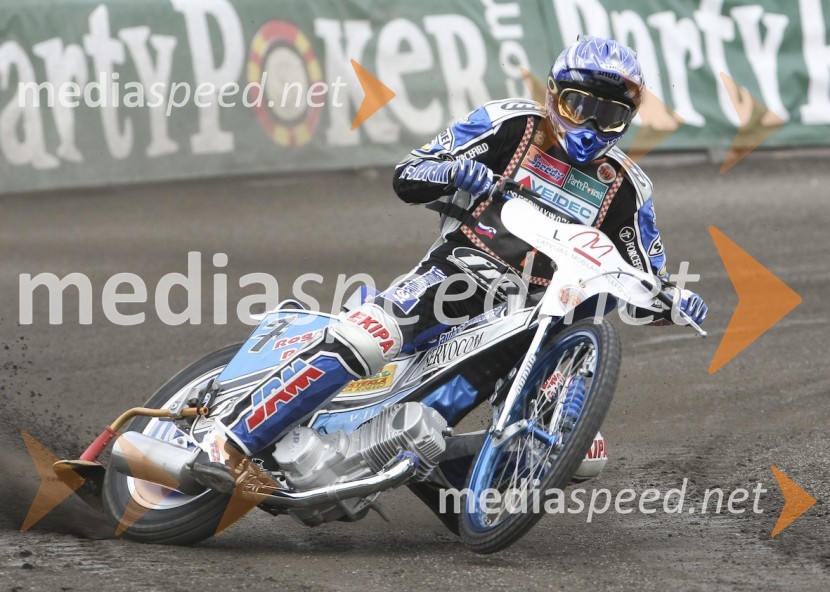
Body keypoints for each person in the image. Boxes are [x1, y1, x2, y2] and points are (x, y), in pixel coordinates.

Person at [191, 36, 708, 490]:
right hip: (462, 272)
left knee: (581, 452)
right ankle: (228, 439)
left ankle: (457, 495)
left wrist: (675, 298)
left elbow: (644, 277)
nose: (594, 125)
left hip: (534, 319)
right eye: (580, 105)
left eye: (611, 115)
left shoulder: (627, 189)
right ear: (554, 97)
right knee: (369, 335)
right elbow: (409, 174)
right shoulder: (510, 123)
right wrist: (456, 172)